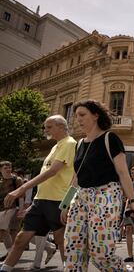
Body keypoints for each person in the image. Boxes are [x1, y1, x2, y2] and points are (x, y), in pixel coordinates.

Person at [61, 100, 134, 271]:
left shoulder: (109, 138)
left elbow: (123, 173)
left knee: (100, 253)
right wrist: (65, 204)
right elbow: (76, 176)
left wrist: (133, 200)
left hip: (106, 195)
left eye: (82, 115)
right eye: (76, 116)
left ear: (96, 115)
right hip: (80, 197)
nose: (78, 119)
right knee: (73, 250)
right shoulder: (80, 144)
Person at [1, 115, 76, 272]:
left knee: (61, 240)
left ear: (61, 127)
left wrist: (22, 188)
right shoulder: (55, 146)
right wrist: (34, 201)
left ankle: (69, 269)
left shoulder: (69, 144)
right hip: (40, 201)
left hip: (58, 201)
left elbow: (53, 171)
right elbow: (47, 177)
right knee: (21, 239)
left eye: (48, 127)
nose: (45, 130)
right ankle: (6, 268)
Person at [0, 161, 23, 262]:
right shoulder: (0, 181)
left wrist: (21, 210)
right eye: (5, 168)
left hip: (13, 208)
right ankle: (11, 253)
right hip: (2, 209)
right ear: (0, 170)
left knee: (9, 231)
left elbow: (21, 195)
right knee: (3, 231)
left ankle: (11, 256)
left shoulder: (16, 180)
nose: (8, 169)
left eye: (9, 167)